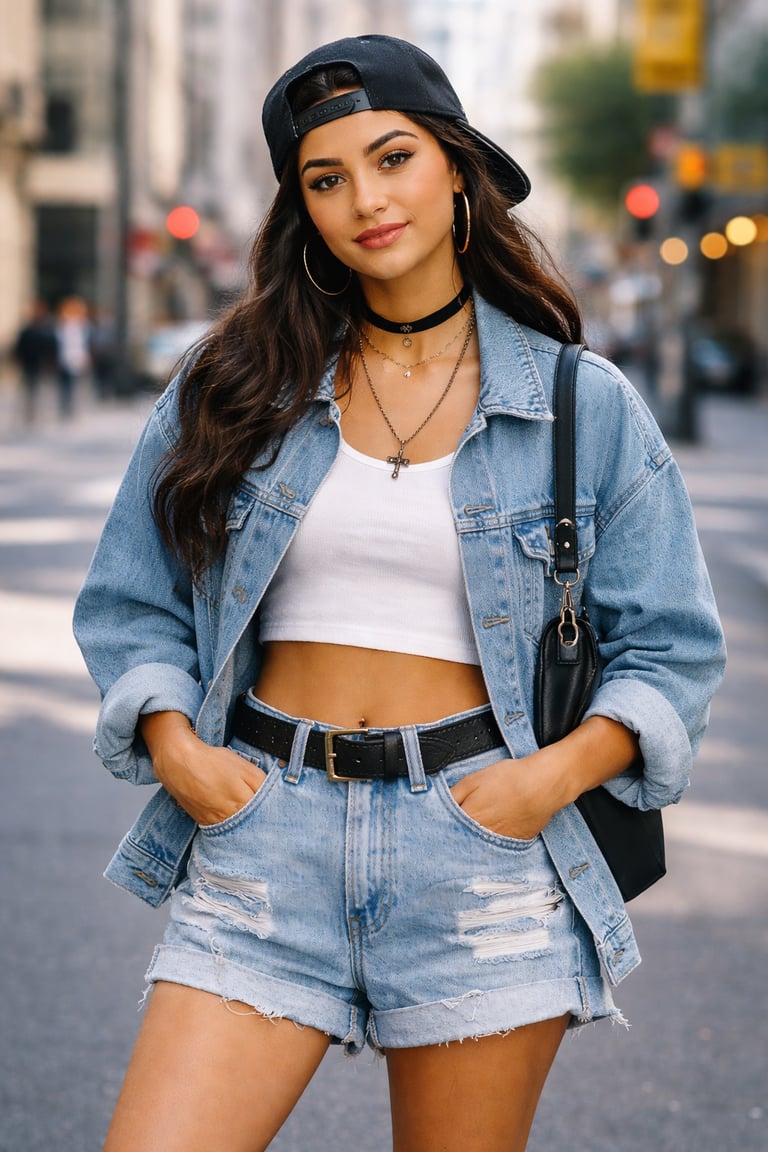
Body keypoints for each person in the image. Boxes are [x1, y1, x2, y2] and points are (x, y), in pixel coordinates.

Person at [73, 35, 725, 1152]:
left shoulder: (582, 403)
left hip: (480, 848)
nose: (365, 200)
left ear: (457, 168)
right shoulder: (236, 380)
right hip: (262, 832)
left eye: (392, 158)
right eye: (325, 181)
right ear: (302, 211)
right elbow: (132, 597)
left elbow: (671, 650)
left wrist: (543, 786)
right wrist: (178, 747)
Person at [12, 300, 57, 422]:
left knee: (39, 389)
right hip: (28, 363)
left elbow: (51, 348)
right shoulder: (27, 330)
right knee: (29, 388)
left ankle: (37, 411)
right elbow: (19, 347)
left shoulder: (46, 330)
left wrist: (50, 361)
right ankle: (29, 411)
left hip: (40, 364)